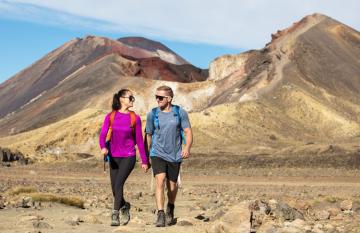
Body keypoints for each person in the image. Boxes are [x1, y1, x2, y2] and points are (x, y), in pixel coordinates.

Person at [99, 89, 149, 226]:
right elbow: (102, 135)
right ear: (121, 99)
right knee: (114, 188)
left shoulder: (135, 118)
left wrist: (144, 160)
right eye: (130, 97)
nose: (133, 100)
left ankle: (115, 214)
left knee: (119, 184)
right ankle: (125, 206)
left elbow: (139, 140)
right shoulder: (111, 116)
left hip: (129, 156)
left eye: (133, 98)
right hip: (113, 157)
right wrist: (103, 147)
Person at [145, 85, 193, 227]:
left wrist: (187, 147)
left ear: (169, 98)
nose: (157, 100)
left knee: (172, 186)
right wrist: (145, 156)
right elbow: (148, 135)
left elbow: (188, 132)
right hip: (157, 153)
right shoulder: (152, 114)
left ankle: (170, 207)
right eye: (156, 97)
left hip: (175, 155)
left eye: (160, 97)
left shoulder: (179, 112)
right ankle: (160, 214)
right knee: (160, 181)